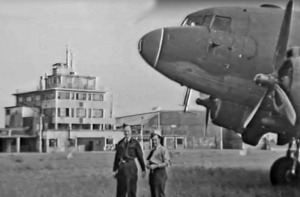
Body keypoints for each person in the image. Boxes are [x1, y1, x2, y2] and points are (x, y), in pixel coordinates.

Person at [112, 124, 146, 197]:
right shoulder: (120, 143)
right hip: (121, 168)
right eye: (125, 131)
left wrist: (143, 169)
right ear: (123, 132)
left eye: (128, 131)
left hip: (131, 167)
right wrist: (114, 170)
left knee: (131, 190)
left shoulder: (135, 143)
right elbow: (117, 157)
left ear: (131, 132)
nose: (126, 133)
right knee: (121, 191)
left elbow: (140, 156)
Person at [146, 130, 171, 197]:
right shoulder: (153, 150)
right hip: (152, 175)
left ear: (159, 139)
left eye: (155, 140)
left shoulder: (163, 149)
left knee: (159, 194)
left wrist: (156, 166)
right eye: (152, 140)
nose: (154, 142)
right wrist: (148, 165)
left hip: (160, 175)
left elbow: (167, 163)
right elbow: (148, 161)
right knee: (154, 194)